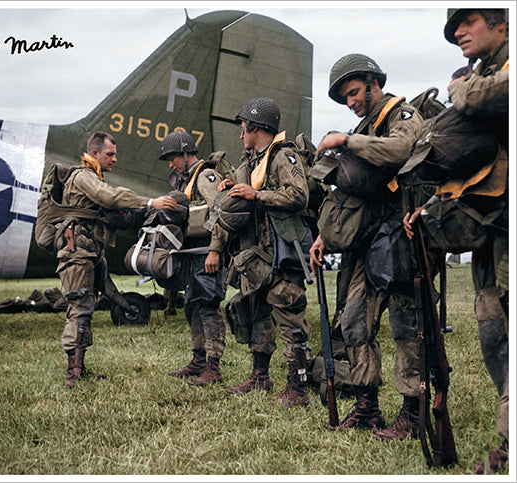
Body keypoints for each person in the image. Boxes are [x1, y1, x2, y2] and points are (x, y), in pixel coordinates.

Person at [404, 9, 508, 474]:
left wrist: (458, 87)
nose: (458, 34)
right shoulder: (483, 76)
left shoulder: (491, 80)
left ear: (503, 22)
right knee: (493, 333)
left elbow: (484, 98)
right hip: (491, 230)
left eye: (468, 22)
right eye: (453, 28)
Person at [309, 54, 427, 436]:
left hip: (400, 232)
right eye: (345, 97)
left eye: (355, 92)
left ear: (374, 82)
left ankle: (413, 411)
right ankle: (366, 406)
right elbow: (352, 192)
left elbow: (403, 150)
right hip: (365, 238)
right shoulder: (365, 126)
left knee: (406, 325)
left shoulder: (402, 115)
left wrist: (346, 140)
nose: (351, 102)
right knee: (354, 321)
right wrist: (324, 235)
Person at [205, 97, 313, 408]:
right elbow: (237, 199)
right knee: (258, 315)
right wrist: (232, 188)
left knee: (290, 314)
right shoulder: (250, 162)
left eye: (243, 129)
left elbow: (299, 195)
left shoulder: (284, 157)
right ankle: (260, 376)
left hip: (282, 250)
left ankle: (299, 387)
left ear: (255, 127)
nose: (241, 135)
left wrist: (257, 194)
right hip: (257, 255)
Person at [56, 131, 177, 388]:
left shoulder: (92, 177)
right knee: (78, 310)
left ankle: (79, 368)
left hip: (88, 252)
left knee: (85, 309)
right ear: (95, 153)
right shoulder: (82, 176)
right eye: (110, 154)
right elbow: (109, 197)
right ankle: (72, 374)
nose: (115, 159)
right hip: (78, 253)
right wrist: (150, 202)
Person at [159, 130, 230, 386]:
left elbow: (219, 211)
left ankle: (213, 367)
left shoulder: (206, 176)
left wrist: (215, 249)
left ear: (187, 153)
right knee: (192, 307)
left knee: (209, 307)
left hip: (207, 253)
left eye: (173, 157)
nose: (171, 164)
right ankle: (198, 359)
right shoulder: (185, 181)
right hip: (192, 254)